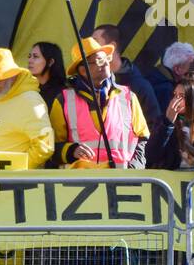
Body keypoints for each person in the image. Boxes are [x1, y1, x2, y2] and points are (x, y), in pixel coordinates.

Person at [50, 37, 149, 168]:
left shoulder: (128, 97)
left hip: (122, 183)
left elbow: (142, 138)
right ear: (83, 69)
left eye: (106, 58)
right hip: (80, 184)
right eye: (99, 60)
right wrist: (71, 150)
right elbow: (51, 148)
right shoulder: (63, 100)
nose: (106, 63)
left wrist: (134, 168)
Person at [0, 49, 55, 168]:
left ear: (12, 75)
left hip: (9, 183)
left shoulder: (30, 101)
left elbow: (45, 147)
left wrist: (16, 172)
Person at [91, 24, 164, 133]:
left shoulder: (140, 86)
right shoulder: (88, 81)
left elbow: (153, 128)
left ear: (112, 47)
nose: (89, 48)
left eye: (95, 42)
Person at [145, 41, 194, 116]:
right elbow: (165, 123)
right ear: (178, 69)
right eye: (190, 65)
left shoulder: (152, 76)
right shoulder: (167, 90)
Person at [26, 41, 66, 110]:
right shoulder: (25, 89)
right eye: (29, 56)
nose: (30, 60)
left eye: (35, 56)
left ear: (50, 62)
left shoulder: (63, 94)